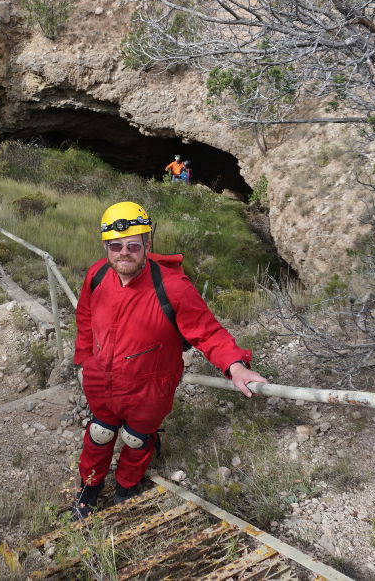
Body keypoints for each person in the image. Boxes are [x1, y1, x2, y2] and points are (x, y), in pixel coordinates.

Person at [71, 201, 267, 519]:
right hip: (102, 380)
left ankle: (126, 486)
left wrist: (236, 366)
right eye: (116, 246)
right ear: (106, 245)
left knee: (137, 440)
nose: (124, 252)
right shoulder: (97, 275)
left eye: (133, 245)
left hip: (151, 387)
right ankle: (90, 488)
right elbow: (85, 316)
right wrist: (85, 360)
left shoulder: (173, 288)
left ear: (147, 244)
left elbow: (208, 333)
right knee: (100, 434)